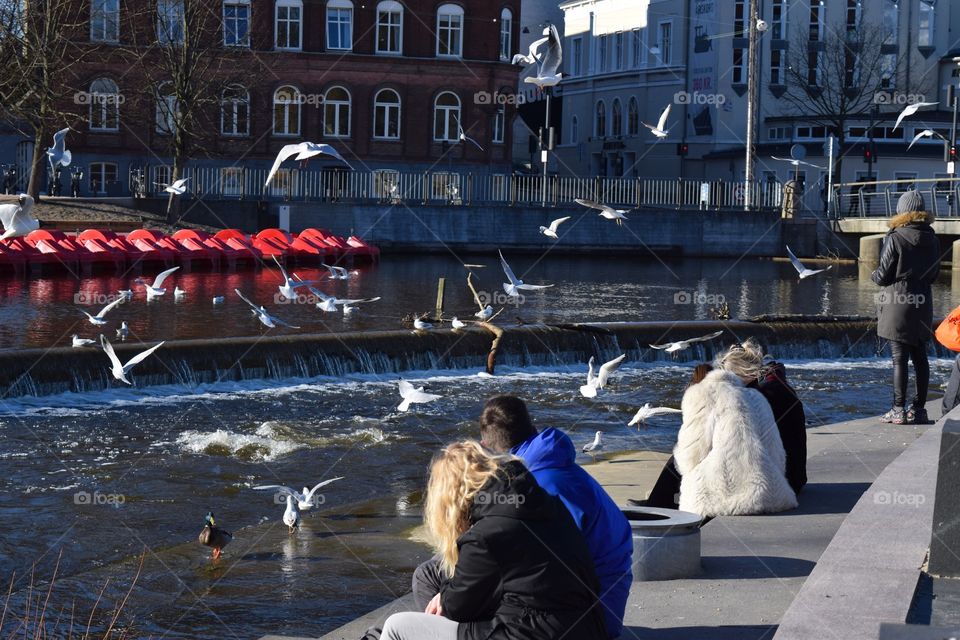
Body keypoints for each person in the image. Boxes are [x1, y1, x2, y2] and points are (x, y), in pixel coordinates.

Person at [413, 396, 632, 639]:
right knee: (446, 571)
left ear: (485, 445)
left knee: (429, 574)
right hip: (601, 599)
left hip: (590, 614)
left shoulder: (533, 484)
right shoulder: (556, 466)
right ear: (533, 429)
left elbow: (541, 570)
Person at [380, 441, 606, 640]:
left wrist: (446, 596)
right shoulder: (544, 502)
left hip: (534, 631)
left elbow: (458, 609)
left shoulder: (486, 534)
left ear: (450, 496)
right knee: (430, 574)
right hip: (584, 626)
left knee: (397, 626)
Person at [674, 343, 798, 517]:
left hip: (713, 500)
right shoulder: (758, 398)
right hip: (767, 496)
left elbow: (690, 454)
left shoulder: (700, 393)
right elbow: (776, 454)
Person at [872, 189, 940, 425]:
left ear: (902, 211)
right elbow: (934, 275)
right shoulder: (932, 238)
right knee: (921, 357)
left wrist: (873, 274)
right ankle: (919, 410)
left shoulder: (895, 238)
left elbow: (882, 276)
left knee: (899, 359)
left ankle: (897, 409)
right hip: (923, 302)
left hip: (897, 303)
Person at [717, 340, 807, 496]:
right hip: (795, 477)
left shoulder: (760, 396)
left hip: (777, 484)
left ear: (740, 373)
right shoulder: (777, 385)